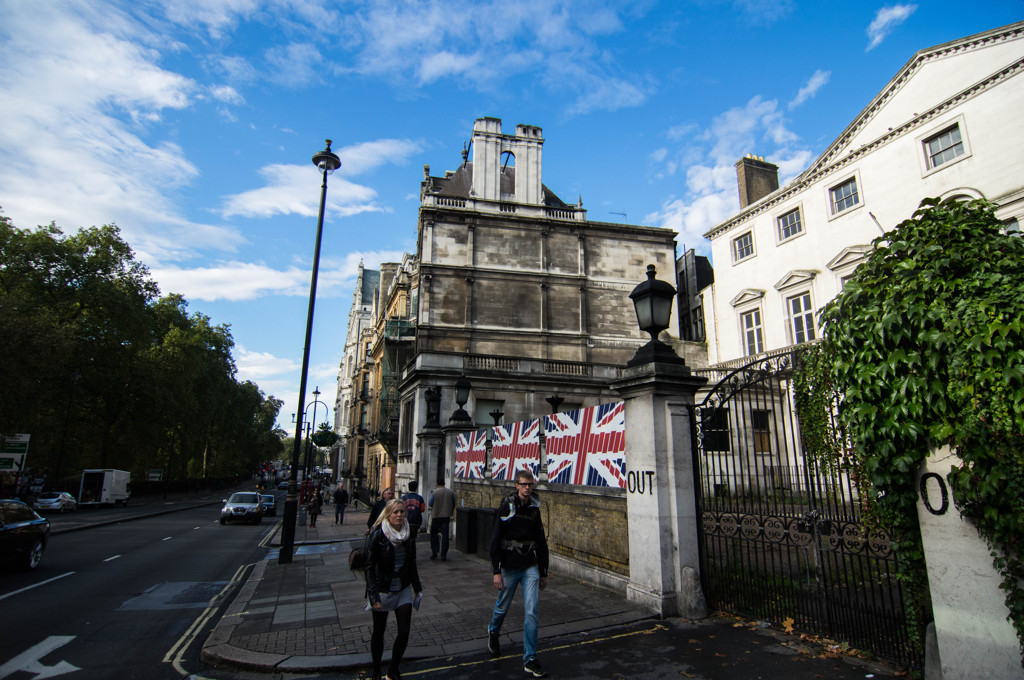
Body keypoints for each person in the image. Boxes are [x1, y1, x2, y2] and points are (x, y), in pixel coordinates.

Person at [487, 469, 550, 678]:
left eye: (530, 484)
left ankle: (530, 658)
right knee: (502, 607)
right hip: (510, 565)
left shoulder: (534, 508)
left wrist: (543, 571)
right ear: (516, 485)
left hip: (529, 564)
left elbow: (540, 540)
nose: (527, 488)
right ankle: (493, 631)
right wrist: (496, 571)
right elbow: (496, 538)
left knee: (532, 609)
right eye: (524, 484)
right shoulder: (508, 505)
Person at [365, 498, 422, 680]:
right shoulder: (378, 535)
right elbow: (369, 567)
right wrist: (373, 596)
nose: (399, 515)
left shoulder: (408, 533)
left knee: (404, 631)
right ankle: (376, 670)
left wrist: (417, 587)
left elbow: (411, 562)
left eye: (402, 512)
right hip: (383, 589)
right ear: (388, 515)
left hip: (403, 588)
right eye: (395, 512)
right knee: (379, 631)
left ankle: (393, 669)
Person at [427, 479, 455, 560]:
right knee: (445, 536)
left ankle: (435, 552)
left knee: (434, 535)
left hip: (436, 516)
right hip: (446, 516)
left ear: (437, 483)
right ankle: (443, 555)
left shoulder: (434, 492)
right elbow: (453, 503)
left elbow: (430, 503)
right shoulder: (450, 492)